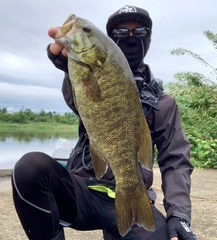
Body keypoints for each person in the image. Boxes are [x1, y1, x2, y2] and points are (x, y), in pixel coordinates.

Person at [11, 5, 197, 240]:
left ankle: (122, 222)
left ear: (148, 38)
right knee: (30, 168)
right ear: (110, 41)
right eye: (120, 33)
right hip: (83, 191)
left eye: (139, 31)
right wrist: (68, 69)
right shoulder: (85, 72)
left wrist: (179, 214)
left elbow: (176, 160)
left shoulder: (164, 103)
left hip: (130, 193)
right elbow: (78, 99)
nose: (130, 38)